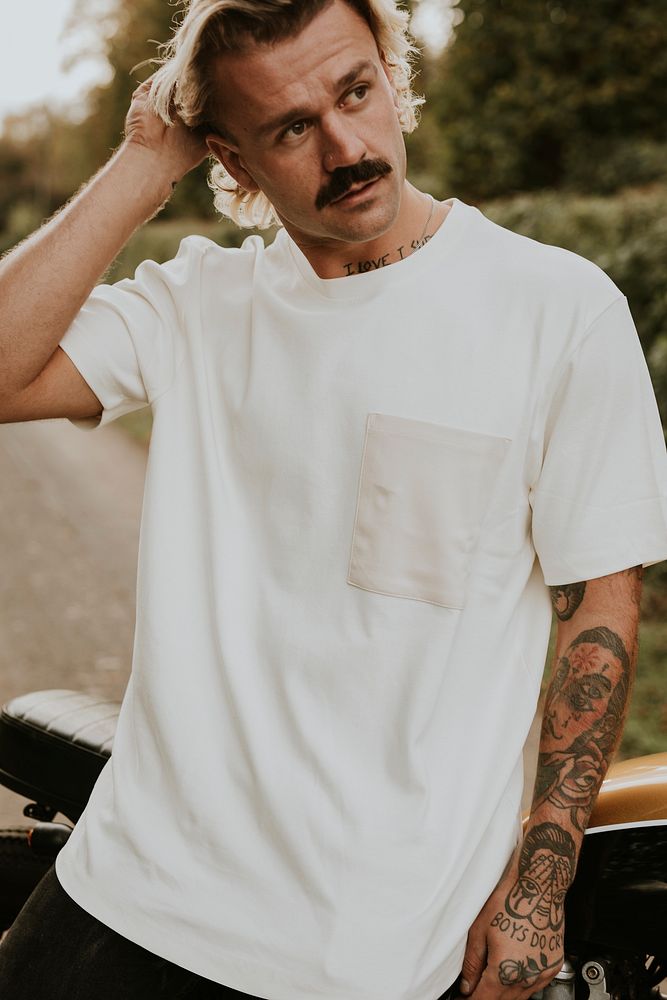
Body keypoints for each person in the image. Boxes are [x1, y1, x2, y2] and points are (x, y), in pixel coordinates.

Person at [0, 1, 666, 997]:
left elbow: (598, 610)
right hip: (126, 894)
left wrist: (538, 889)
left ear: (393, 83)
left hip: (363, 951)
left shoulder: (554, 310)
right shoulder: (199, 306)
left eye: (354, 92)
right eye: (289, 128)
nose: (346, 146)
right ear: (231, 162)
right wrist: (144, 162)